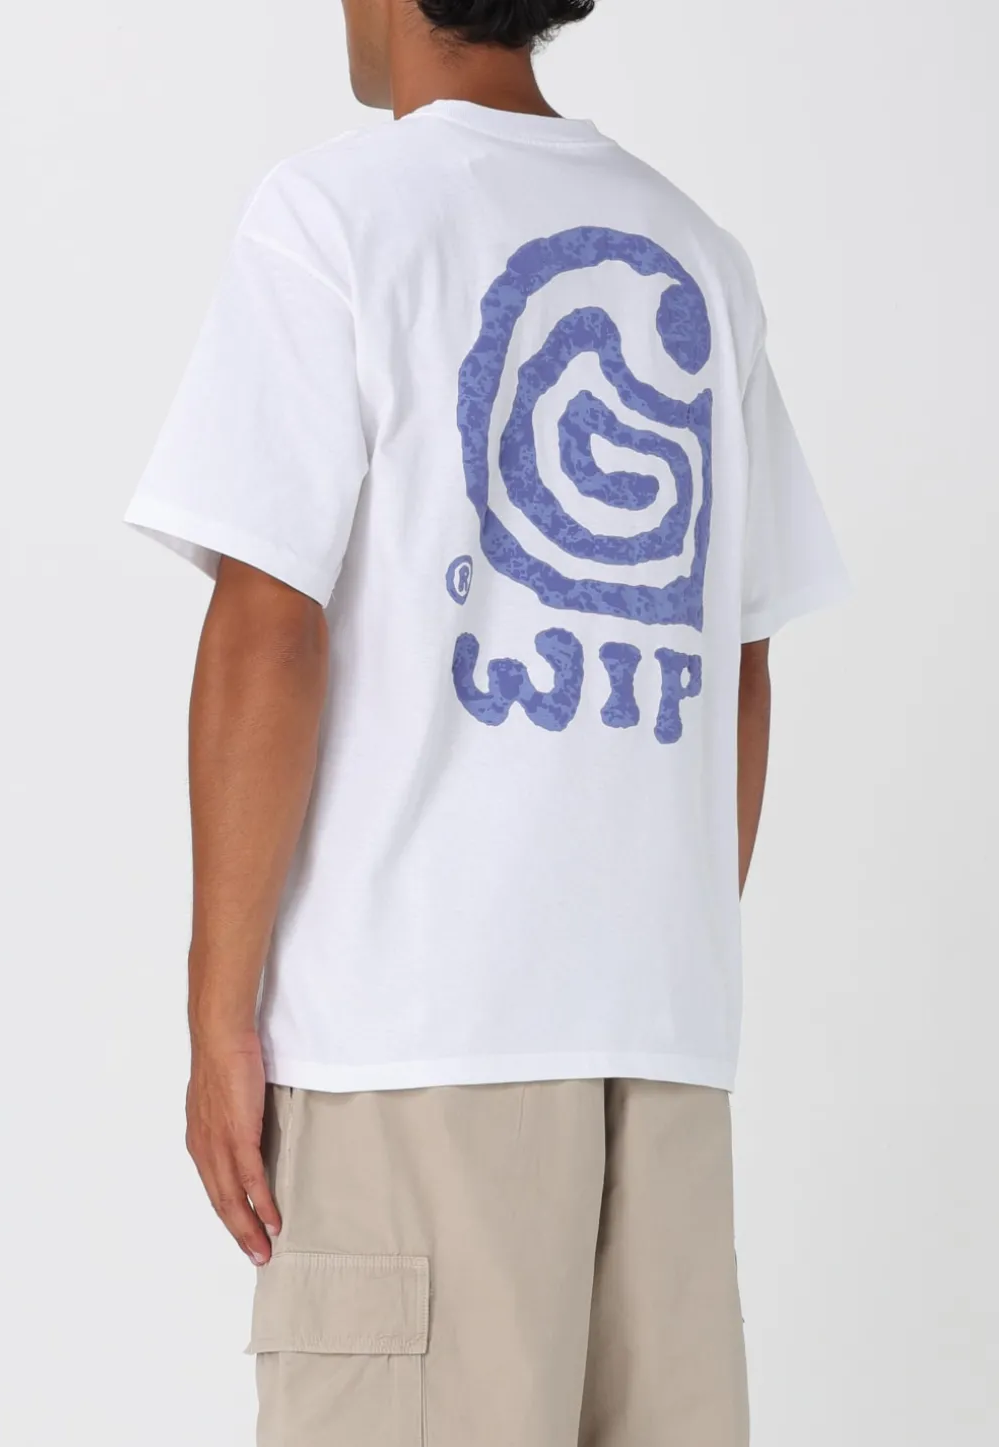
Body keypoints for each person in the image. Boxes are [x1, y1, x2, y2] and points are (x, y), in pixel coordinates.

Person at [125, 1, 848, 1442]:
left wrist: (217, 1013)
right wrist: (647, 948)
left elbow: (270, 629)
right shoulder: (698, 253)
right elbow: (740, 655)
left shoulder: (336, 219)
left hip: (412, 1047)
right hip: (660, 1056)